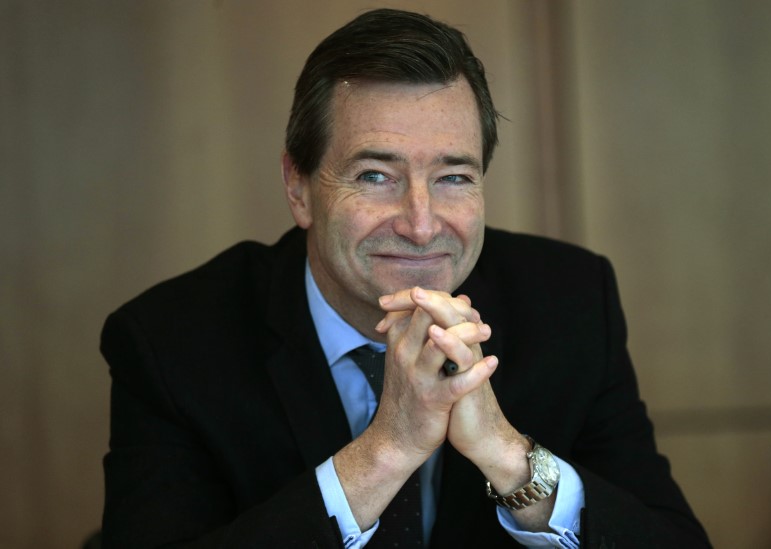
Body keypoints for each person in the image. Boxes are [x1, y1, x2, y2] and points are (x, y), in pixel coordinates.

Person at [100, 8, 710, 548]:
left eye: (453, 177)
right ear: (299, 188)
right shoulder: (170, 340)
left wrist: (510, 457)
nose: (421, 225)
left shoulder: (572, 301)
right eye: (374, 176)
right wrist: (386, 450)